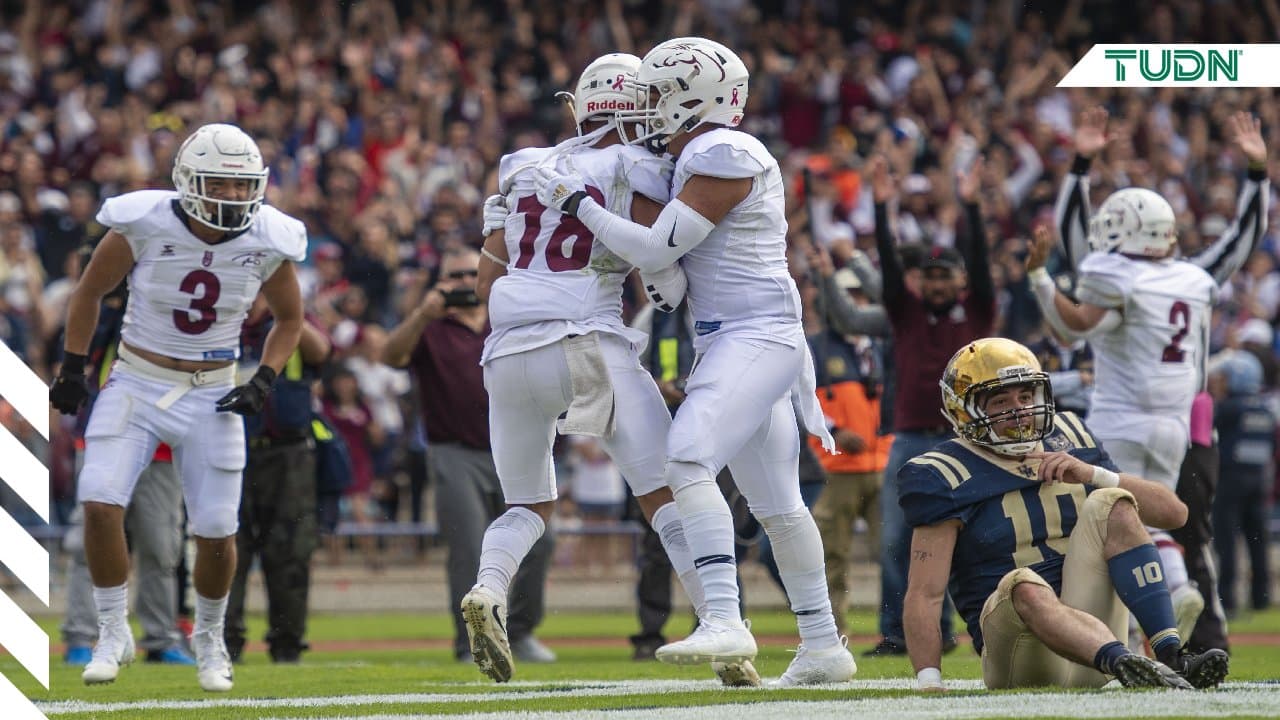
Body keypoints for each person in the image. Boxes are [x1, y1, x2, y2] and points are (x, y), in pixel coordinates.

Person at [534, 37, 855, 685]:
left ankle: (725, 619)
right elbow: (670, 273)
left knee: (686, 459)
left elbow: (655, 250)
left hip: (756, 335)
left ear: (691, 97)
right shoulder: (692, 155)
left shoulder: (723, 151)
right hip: (729, 337)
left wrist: (580, 204)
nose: (648, 110)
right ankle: (823, 645)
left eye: (655, 95)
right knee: (779, 506)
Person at [460, 51, 749, 686]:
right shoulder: (640, 163)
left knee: (527, 504)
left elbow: (485, 282)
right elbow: (660, 265)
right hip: (586, 338)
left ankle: (488, 589)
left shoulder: (525, 165)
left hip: (506, 351)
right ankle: (726, 639)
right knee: (664, 494)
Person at [48, 123, 307, 692]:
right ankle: (113, 628)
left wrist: (262, 378)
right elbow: (89, 292)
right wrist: (72, 366)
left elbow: (291, 320)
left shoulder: (269, 237)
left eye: (244, 187)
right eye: (221, 184)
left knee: (215, 531)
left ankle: (210, 637)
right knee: (97, 501)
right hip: (137, 380)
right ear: (189, 181)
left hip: (214, 389)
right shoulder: (144, 220)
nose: (234, 198)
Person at [1046, 108, 1270, 641]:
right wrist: (1258, 177)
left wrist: (1079, 165)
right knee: (1186, 531)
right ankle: (1194, 632)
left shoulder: (1112, 274)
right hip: (1190, 422)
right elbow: (1243, 239)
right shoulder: (1193, 276)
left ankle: (1148, 631)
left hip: (1129, 416)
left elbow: (1073, 240)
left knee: (1122, 520)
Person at [901, 336, 1230, 691]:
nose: (1020, 410)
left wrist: (1093, 474)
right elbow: (925, 593)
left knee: (1114, 503)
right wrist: (928, 680)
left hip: (1096, 636)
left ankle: (1169, 657)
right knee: (1023, 583)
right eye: (1000, 401)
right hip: (1021, 654)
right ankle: (1125, 662)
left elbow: (1175, 515)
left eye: (1025, 397)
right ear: (964, 410)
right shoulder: (943, 472)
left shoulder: (1071, 439)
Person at [382, 248, 556, 670]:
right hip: (454, 450)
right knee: (468, 545)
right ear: (439, 283)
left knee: (542, 541)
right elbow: (390, 356)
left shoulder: (506, 316)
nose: (463, 281)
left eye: (469, 272)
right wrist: (422, 314)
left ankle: (520, 630)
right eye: (453, 275)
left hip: (513, 446)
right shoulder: (432, 327)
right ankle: (470, 642)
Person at [867, 153, 994, 656]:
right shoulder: (906, 312)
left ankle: (978, 630)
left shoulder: (978, 309)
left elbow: (982, 262)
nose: (938, 283)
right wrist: (882, 209)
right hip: (912, 438)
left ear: (961, 281)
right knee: (897, 541)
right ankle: (901, 635)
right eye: (930, 275)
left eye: (947, 275)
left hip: (966, 441)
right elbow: (889, 263)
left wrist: (972, 207)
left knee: (976, 541)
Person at [61, 261, 194, 668]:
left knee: (161, 547)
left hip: (163, 447)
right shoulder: (108, 312)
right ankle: (83, 636)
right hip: (108, 437)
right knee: (92, 542)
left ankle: (160, 637)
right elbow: (75, 342)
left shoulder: (182, 321)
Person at [225, 296, 332, 664]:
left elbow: (322, 351)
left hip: (289, 453)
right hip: (232, 449)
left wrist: (288, 314)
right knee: (226, 547)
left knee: (291, 553)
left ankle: (287, 643)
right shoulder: (222, 320)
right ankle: (225, 641)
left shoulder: (293, 321)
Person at [1209, 351, 1275, 618]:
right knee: (1257, 540)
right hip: (1258, 479)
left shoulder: (1228, 408)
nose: (1220, 383)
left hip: (1230, 480)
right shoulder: (1264, 408)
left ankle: (1228, 600)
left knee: (1226, 541)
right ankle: (1261, 598)